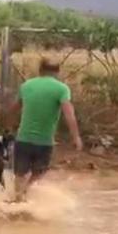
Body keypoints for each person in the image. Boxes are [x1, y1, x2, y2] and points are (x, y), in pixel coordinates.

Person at [10, 58, 83, 203]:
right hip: (44, 141)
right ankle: (26, 192)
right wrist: (76, 137)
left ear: (40, 70)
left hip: (23, 138)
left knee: (19, 173)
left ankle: (18, 198)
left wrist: (8, 126)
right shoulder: (61, 89)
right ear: (57, 72)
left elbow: (14, 109)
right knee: (39, 172)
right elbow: (69, 115)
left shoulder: (26, 85)